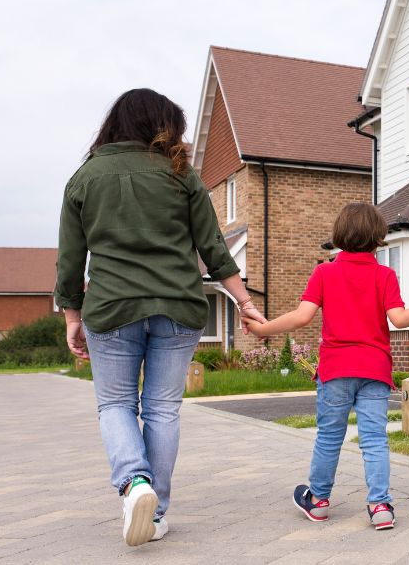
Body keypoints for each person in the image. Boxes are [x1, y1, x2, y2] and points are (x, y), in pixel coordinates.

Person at [55, 88, 266, 546]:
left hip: (111, 307)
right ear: (162, 126)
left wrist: (72, 316)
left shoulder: (85, 177)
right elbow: (213, 246)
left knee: (115, 404)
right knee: (162, 408)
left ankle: (135, 483)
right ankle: (156, 513)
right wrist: (244, 301)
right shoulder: (180, 174)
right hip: (177, 306)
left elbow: (70, 260)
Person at [245, 202, 409, 530]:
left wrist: (262, 328)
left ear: (339, 235)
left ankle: (318, 501)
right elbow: (399, 319)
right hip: (374, 370)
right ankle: (380, 506)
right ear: (378, 237)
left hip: (336, 370)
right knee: (374, 439)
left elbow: (302, 317)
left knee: (329, 436)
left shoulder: (324, 273)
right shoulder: (384, 275)